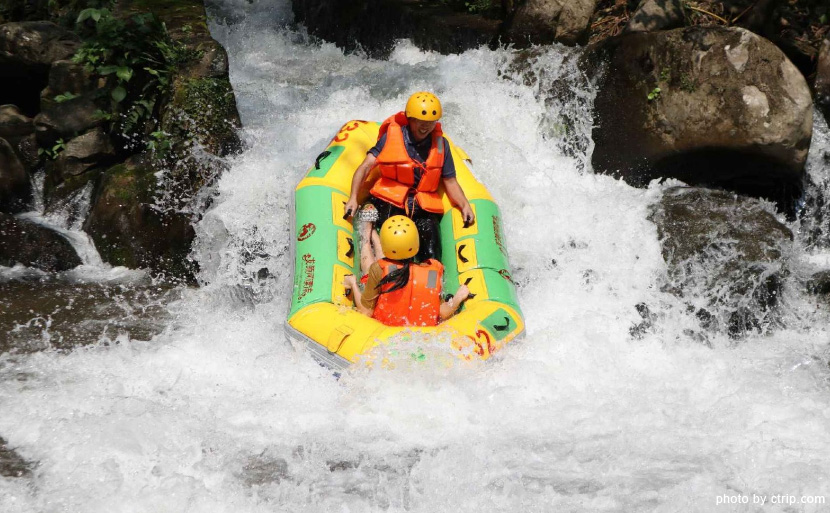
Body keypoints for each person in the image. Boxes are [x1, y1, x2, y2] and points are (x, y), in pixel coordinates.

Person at [344, 92, 475, 262]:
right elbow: (365, 167)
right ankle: (372, 245)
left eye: (430, 123)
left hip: (422, 206)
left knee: (431, 253)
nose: (425, 127)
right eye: (420, 121)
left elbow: (450, 181)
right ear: (410, 119)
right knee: (393, 249)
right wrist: (353, 197)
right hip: (390, 200)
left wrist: (464, 205)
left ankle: (427, 283)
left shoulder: (442, 145)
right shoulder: (390, 138)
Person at [344, 216, 470, 327]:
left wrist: (353, 283)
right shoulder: (431, 274)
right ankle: (374, 236)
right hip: (416, 332)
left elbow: (366, 312)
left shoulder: (378, 269)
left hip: (383, 330)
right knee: (385, 267)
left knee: (372, 271)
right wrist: (456, 300)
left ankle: (368, 237)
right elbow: (441, 312)